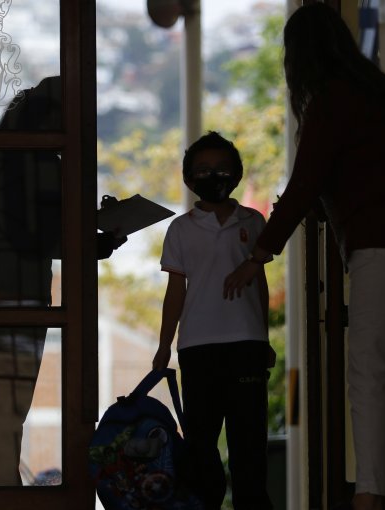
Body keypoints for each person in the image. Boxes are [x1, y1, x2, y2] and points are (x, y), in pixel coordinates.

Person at [222, 5, 385, 510]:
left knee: (370, 378)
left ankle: (369, 495)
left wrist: (258, 254)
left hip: (384, 248)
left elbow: (305, 185)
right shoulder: (381, 95)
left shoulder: (331, 102)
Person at [0, 76, 124, 485]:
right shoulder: (44, 160)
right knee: (11, 406)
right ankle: (3, 494)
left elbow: (29, 226)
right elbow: (45, 234)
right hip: (19, 287)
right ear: (54, 118)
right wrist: (99, 238)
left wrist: (87, 233)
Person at [152, 131, 275, 510]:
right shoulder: (180, 229)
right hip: (197, 348)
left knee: (248, 445)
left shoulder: (253, 221)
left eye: (222, 169)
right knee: (201, 445)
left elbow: (261, 284)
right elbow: (176, 291)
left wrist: (263, 337)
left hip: (246, 346)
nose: (213, 176)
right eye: (203, 170)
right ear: (189, 180)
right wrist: (163, 347)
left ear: (237, 175)